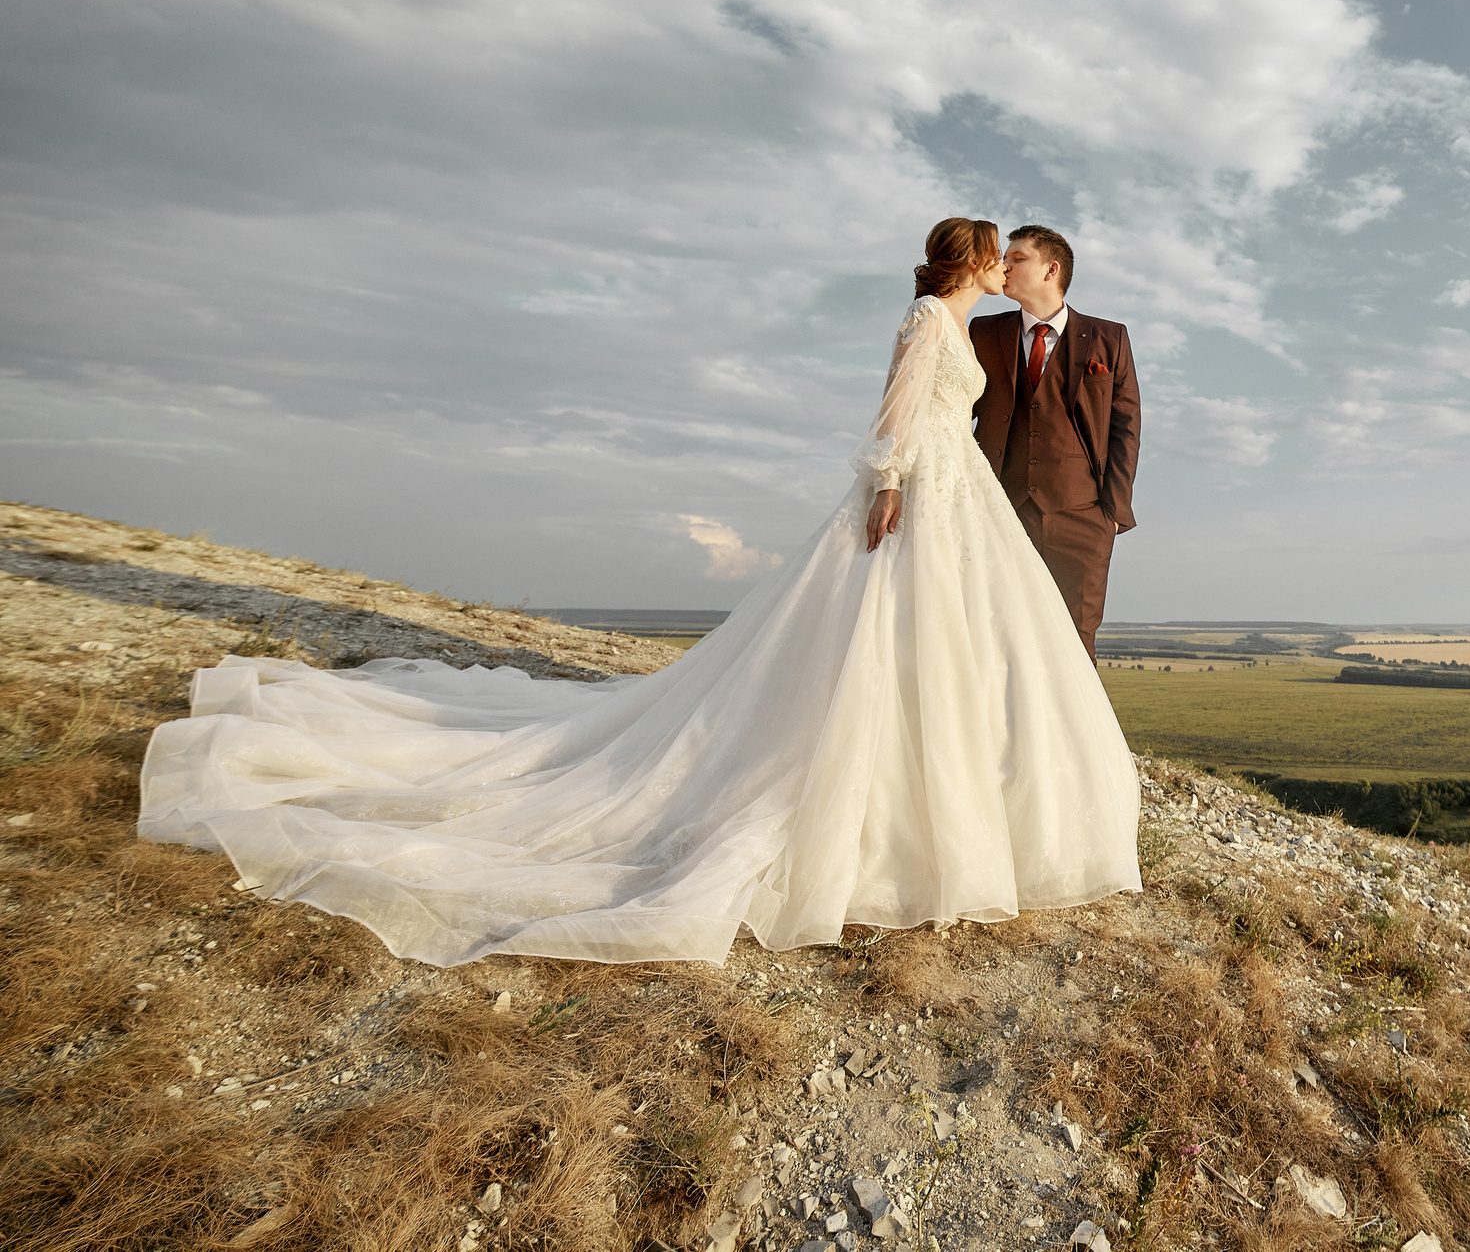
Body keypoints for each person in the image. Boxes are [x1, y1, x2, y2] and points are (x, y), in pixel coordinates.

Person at [135, 218, 1141, 966]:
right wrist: (885, 486)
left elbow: (1082, 417)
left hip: (963, 502)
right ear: (974, 262)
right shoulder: (934, 319)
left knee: (949, 648)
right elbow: (892, 413)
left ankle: (955, 782)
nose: (1003, 265)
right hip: (916, 489)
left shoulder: (978, 326)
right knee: (870, 642)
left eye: (1017, 257)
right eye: (994, 254)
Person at [964, 226, 1141, 662]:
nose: (1004, 265)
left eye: (1018, 258)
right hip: (998, 511)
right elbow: (953, 411)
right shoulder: (984, 331)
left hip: (1083, 518)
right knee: (995, 639)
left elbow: (1126, 427)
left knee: (1074, 649)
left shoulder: (1109, 337)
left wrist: (1111, 515)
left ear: (1052, 269)